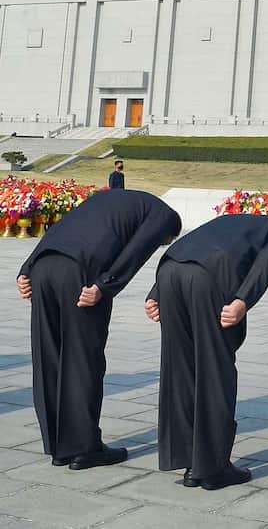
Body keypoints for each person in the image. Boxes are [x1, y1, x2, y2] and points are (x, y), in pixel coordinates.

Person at [14, 189, 181, 469]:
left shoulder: (106, 200)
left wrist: (27, 268)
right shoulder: (165, 216)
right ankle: (84, 448)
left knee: (48, 355)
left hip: (44, 266)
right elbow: (136, 252)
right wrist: (105, 285)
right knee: (83, 359)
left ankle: (58, 445)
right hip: (80, 274)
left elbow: (62, 228)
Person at [144, 213, 268, 490]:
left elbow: (193, 246)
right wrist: (243, 300)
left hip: (169, 270)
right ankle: (213, 467)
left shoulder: (238, 224)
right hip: (208, 278)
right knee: (215, 371)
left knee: (179, 369)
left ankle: (189, 460)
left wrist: (156, 292)